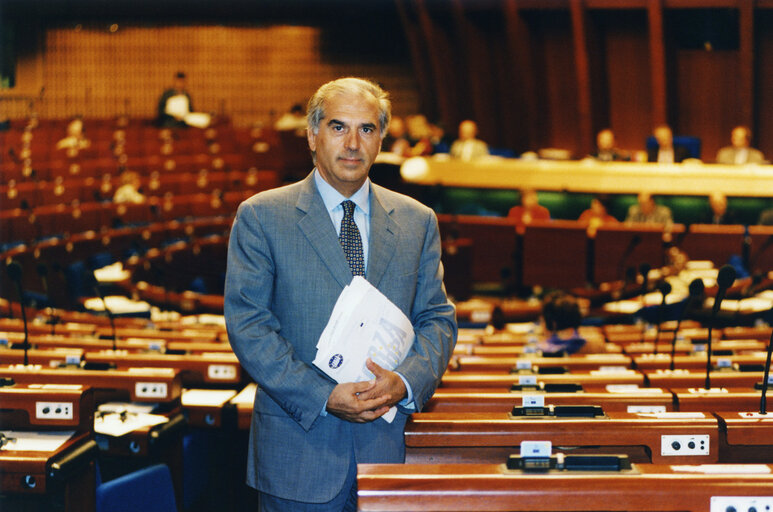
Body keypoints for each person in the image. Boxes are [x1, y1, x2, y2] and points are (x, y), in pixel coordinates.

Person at [224, 77, 457, 511]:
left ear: (381, 139)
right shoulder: (261, 216)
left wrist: (404, 381)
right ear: (312, 135)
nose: (353, 143)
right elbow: (249, 326)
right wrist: (322, 395)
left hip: (389, 455)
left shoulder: (416, 221)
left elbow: (438, 319)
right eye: (338, 127)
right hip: (298, 454)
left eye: (367, 129)